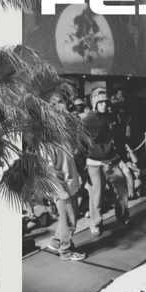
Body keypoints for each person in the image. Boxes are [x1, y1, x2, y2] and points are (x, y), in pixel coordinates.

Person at [80, 88, 130, 236]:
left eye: (105, 102)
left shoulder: (112, 118)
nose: (104, 105)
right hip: (94, 164)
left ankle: (123, 216)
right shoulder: (86, 121)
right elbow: (81, 145)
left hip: (112, 162)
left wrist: (124, 159)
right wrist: (81, 167)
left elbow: (119, 140)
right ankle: (95, 223)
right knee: (96, 197)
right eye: (100, 102)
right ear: (94, 104)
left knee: (122, 191)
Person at [45, 93, 86, 261]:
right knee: (69, 221)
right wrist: (61, 190)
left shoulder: (63, 137)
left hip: (70, 185)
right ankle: (66, 251)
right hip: (63, 189)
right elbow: (50, 170)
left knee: (67, 218)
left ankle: (56, 242)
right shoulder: (49, 142)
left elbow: (69, 161)